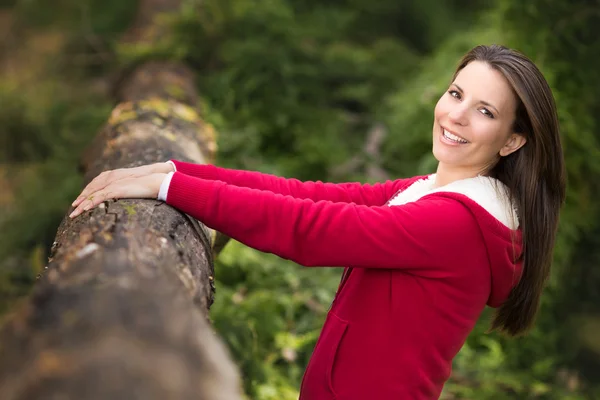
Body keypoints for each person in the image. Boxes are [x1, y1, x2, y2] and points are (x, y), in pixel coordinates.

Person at [70, 44, 566, 399]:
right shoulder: (427, 193)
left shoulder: (456, 223)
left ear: (510, 141)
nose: (456, 115)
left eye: (483, 111)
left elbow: (308, 229)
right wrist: (176, 170)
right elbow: (308, 195)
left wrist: (170, 190)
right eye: (456, 94)